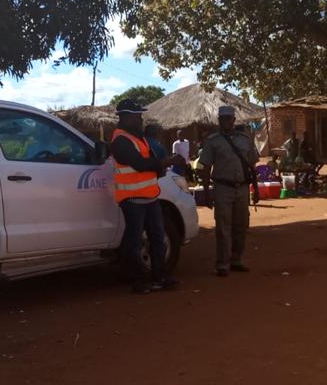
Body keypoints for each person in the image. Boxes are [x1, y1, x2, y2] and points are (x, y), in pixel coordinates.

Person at [109, 99, 185, 294]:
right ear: (126, 118)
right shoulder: (120, 140)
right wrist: (167, 161)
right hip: (133, 200)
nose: (141, 119)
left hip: (150, 197)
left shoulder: (137, 137)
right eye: (137, 116)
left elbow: (148, 163)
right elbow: (140, 164)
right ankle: (137, 281)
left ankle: (160, 276)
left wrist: (160, 165)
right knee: (134, 243)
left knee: (157, 238)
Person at [198, 105, 259, 277]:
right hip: (222, 188)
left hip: (242, 188)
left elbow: (252, 165)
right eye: (223, 119)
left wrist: (255, 189)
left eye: (229, 119)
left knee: (241, 225)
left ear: (234, 120)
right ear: (219, 121)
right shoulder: (213, 141)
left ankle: (236, 260)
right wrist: (206, 191)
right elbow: (205, 167)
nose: (226, 122)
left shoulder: (245, 140)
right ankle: (222, 264)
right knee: (223, 227)